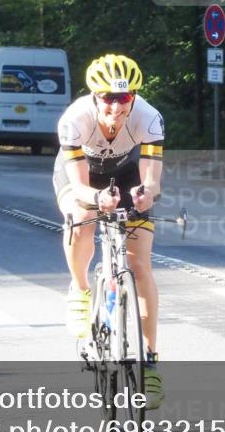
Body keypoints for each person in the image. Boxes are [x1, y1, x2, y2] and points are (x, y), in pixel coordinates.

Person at [53, 54, 165, 409]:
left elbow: (152, 180)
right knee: (78, 219)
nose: (116, 107)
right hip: (85, 177)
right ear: (94, 96)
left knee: (141, 264)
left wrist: (146, 195)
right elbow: (80, 187)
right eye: (108, 98)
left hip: (128, 173)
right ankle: (81, 290)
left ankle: (149, 362)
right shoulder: (75, 119)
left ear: (133, 97)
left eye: (124, 98)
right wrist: (96, 199)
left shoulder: (149, 119)